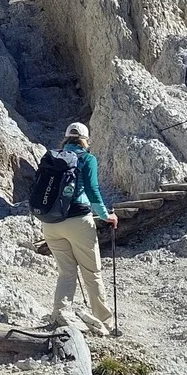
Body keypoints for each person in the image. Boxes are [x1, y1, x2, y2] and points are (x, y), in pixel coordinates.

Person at [40, 123, 118, 333]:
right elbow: (92, 191)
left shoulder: (53, 157)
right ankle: (105, 323)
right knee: (92, 272)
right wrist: (106, 216)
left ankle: (59, 315)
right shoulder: (87, 159)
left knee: (66, 272)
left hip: (50, 223)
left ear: (65, 139)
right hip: (78, 221)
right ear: (85, 140)